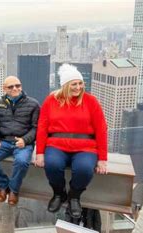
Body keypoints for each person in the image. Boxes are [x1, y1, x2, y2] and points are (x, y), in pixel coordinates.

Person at [35, 64, 108, 218]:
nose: (78, 87)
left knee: (84, 169)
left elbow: (101, 130)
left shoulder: (91, 101)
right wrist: (40, 152)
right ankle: (59, 193)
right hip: (56, 144)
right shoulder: (51, 101)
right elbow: (42, 127)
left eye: (80, 83)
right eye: (74, 84)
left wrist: (102, 159)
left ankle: (74, 196)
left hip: (85, 147)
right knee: (53, 165)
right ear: (65, 85)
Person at [0, 76, 39, 205]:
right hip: (4, 141)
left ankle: (13, 190)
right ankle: (3, 186)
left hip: (23, 143)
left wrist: (25, 140)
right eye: (11, 86)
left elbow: (36, 128)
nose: (15, 88)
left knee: (22, 161)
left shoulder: (33, 104)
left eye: (17, 85)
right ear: (4, 89)